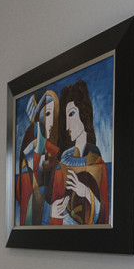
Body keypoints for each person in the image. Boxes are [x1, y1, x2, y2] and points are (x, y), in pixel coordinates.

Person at [49, 80, 109, 225]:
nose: (68, 124)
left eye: (71, 114)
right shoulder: (61, 165)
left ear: (84, 113)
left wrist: (86, 193)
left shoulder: (97, 162)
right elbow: (54, 206)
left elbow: (106, 214)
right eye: (66, 117)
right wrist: (53, 212)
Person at [15, 89, 60, 225]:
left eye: (52, 113)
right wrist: (49, 210)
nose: (51, 119)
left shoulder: (49, 145)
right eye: (47, 113)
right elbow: (28, 188)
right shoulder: (34, 135)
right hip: (32, 204)